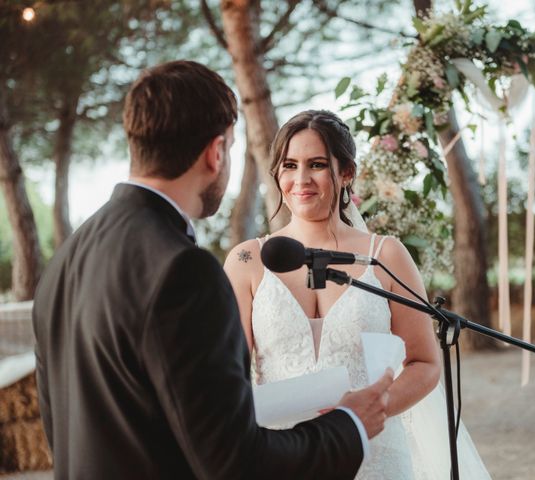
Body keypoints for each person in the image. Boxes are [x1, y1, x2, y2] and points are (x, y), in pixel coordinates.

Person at [32, 61, 393, 480]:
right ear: (216, 151)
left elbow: (59, 431)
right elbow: (236, 462)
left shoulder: (65, 259)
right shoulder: (184, 271)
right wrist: (348, 425)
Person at [224, 110, 492, 479]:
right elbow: (229, 371)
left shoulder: (386, 256)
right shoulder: (246, 260)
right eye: (289, 165)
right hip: (282, 455)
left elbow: (426, 363)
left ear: (347, 172)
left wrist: (374, 408)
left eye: (316, 164)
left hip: (374, 455)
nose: (300, 179)